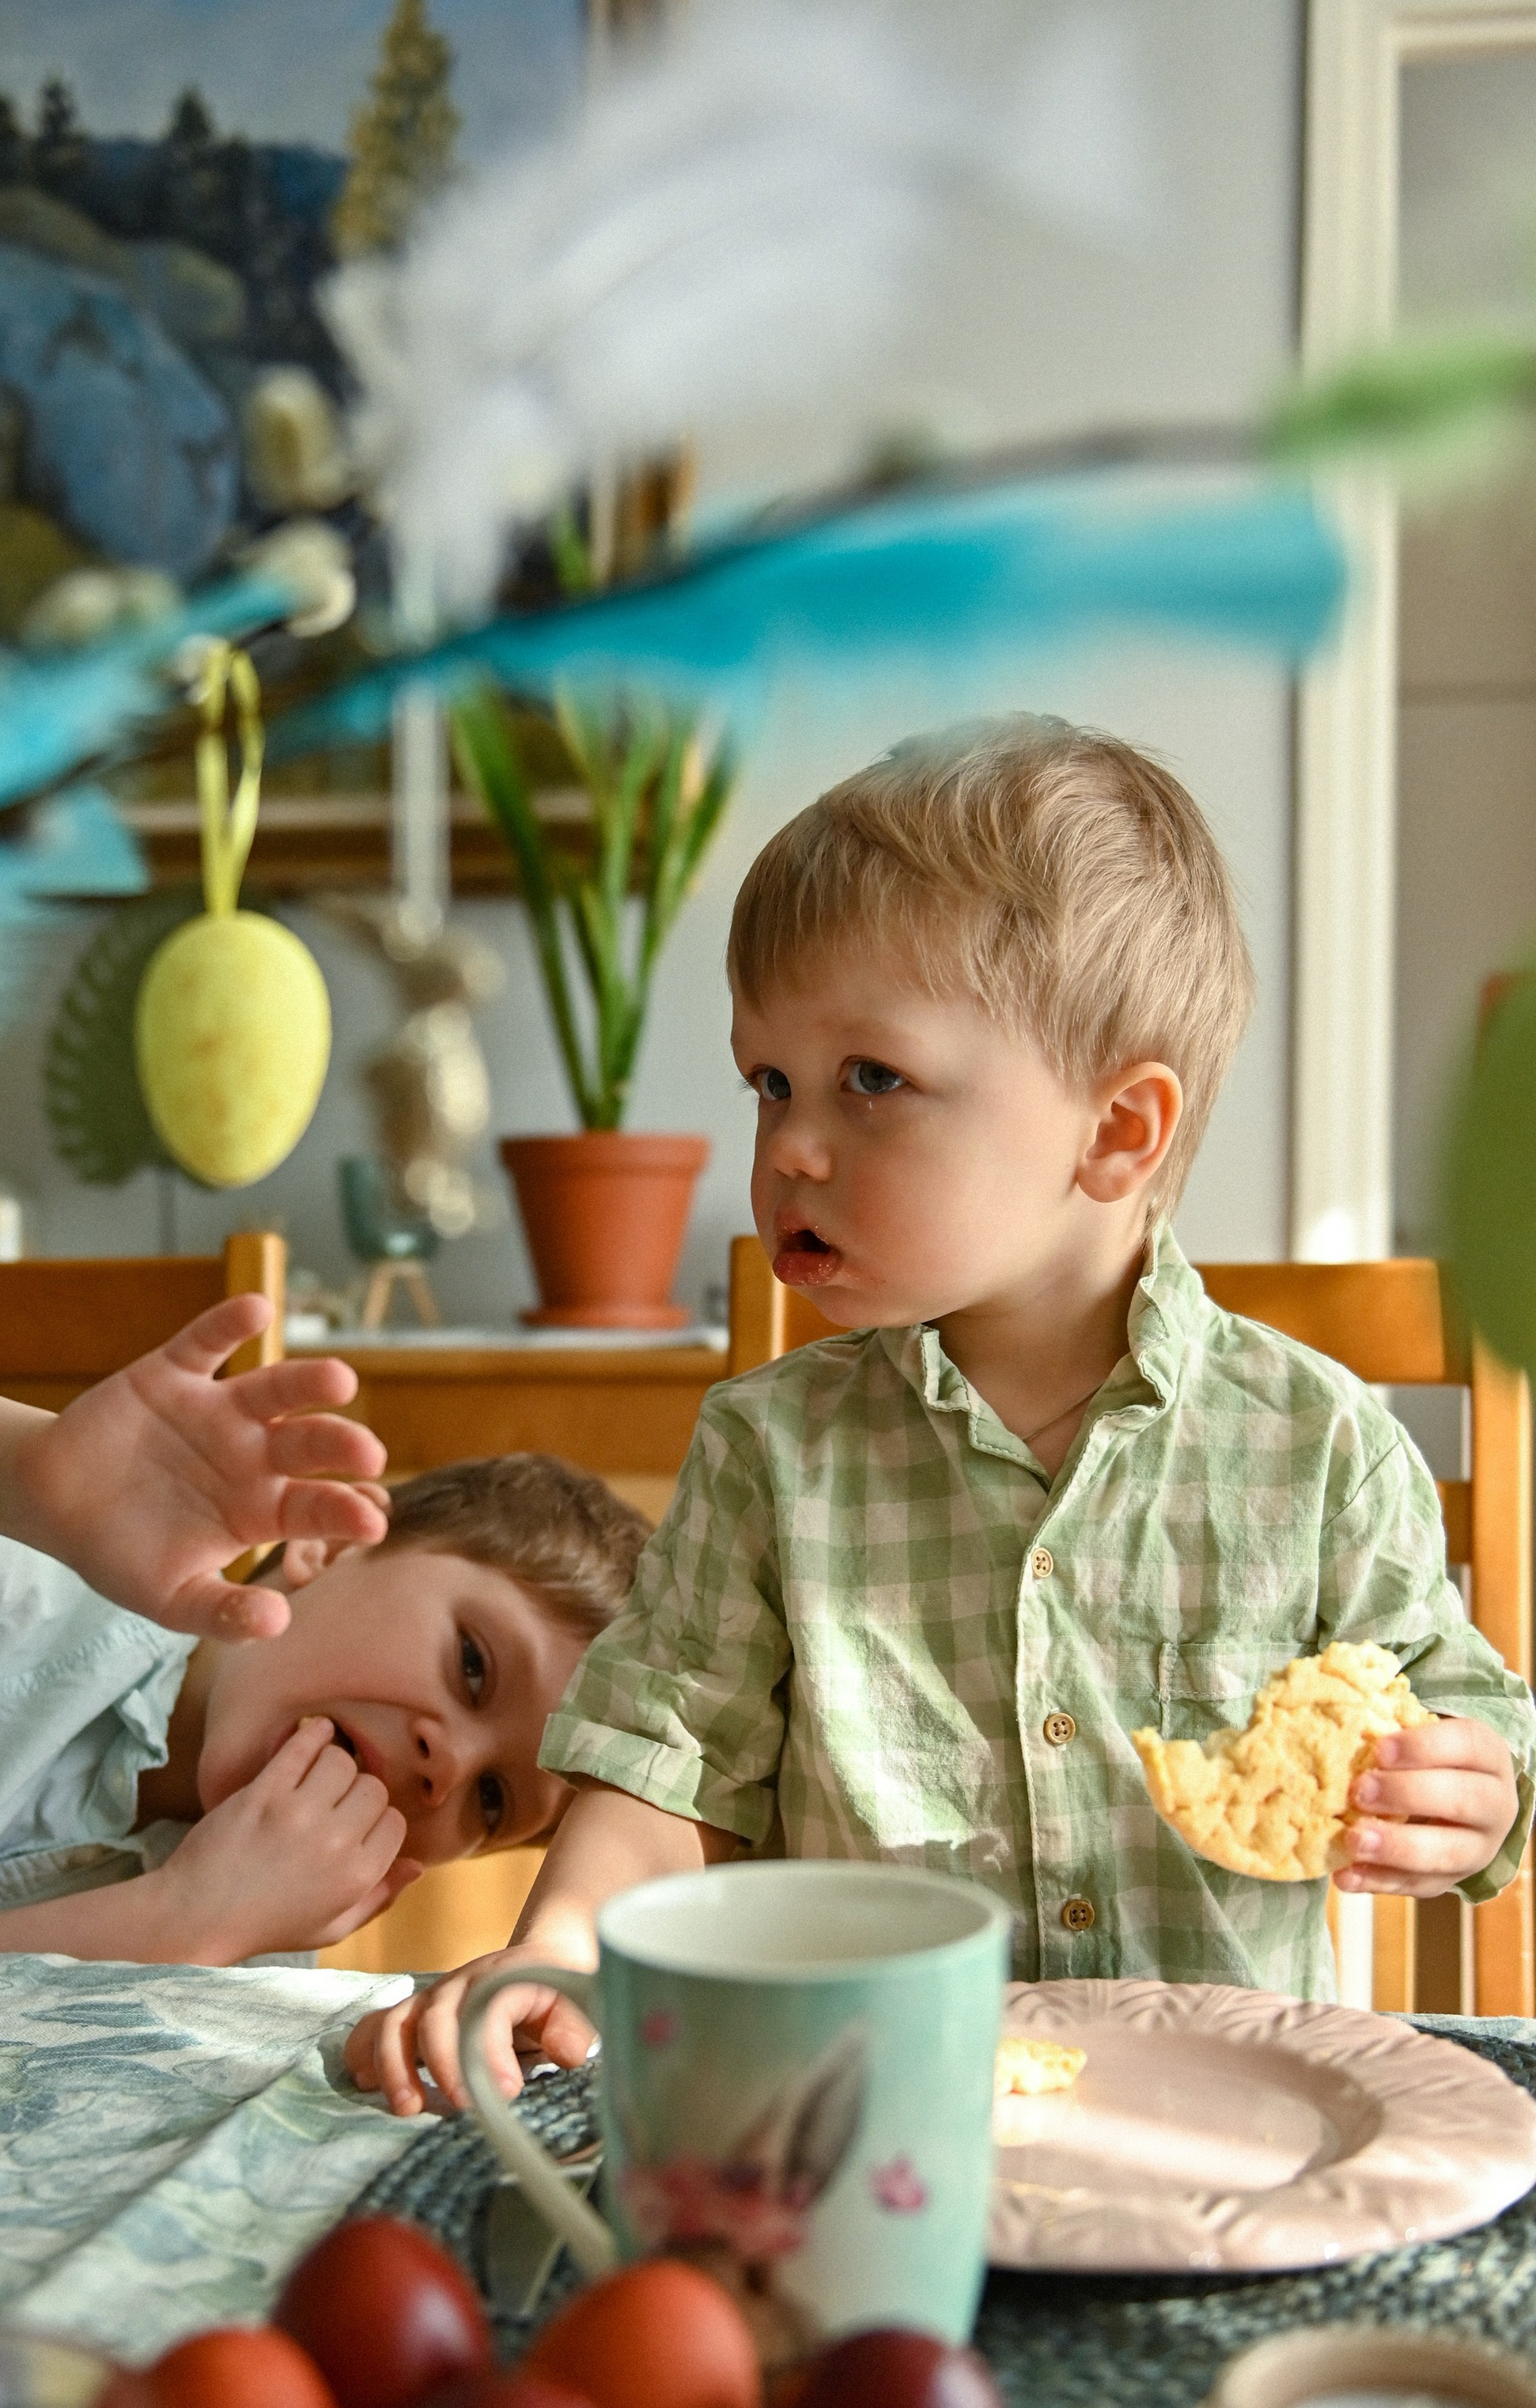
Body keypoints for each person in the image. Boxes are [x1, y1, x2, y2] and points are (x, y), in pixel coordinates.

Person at [349, 718, 1536, 2116]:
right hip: (856, 2115)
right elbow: (669, 1763)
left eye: (871, 1079)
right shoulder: (767, 1452)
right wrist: (562, 1944)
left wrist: (1477, 1796)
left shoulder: (1321, 1448)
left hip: (1226, 2123)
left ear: (1115, 1133)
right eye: (769, 1082)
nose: (790, 1144)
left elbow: (1459, 1712)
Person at [0, 1292, 650, 1965]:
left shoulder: (244, 1915)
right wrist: (24, 1480)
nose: (446, 1764)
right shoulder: (23, 1590)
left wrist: (183, 1929)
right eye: (473, 1665)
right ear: (327, 1552)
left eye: (495, 1801)